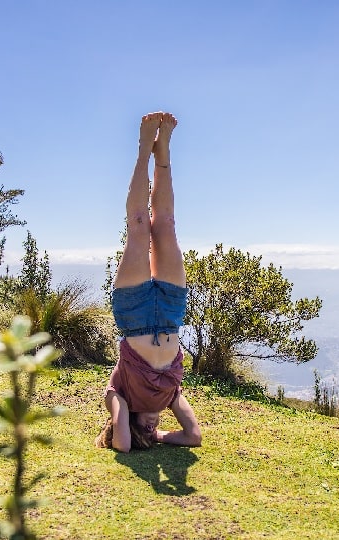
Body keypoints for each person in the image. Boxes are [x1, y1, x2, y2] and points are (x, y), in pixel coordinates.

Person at [95, 111, 202, 453]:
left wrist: (123, 414)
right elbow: (193, 437)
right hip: (170, 313)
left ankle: (144, 149)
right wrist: (159, 437)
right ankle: (165, 154)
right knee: (167, 224)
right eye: (150, 433)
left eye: (145, 428)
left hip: (134, 313)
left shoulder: (118, 396)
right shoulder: (170, 398)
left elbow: (124, 447)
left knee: (140, 225)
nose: (151, 426)